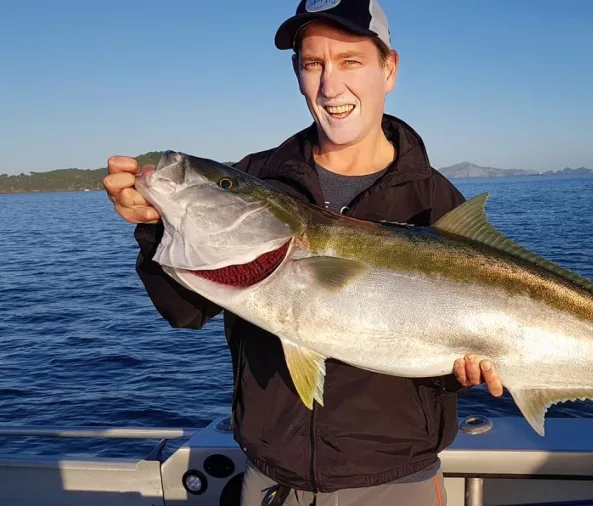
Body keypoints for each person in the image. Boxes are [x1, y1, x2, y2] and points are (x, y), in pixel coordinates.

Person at [102, 1, 503, 505]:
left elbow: (445, 344)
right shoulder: (259, 176)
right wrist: (154, 228)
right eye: (313, 64)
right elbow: (185, 312)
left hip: (398, 484)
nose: (331, 86)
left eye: (351, 61)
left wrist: (468, 367)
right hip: (269, 479)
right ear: (297, 74)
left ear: (389, 69)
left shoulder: (435, 201)